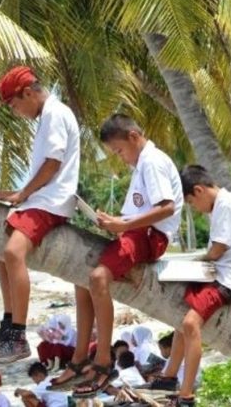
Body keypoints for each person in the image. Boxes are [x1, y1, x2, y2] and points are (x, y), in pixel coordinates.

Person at [65, 114, 182, 396]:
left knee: (97, 277)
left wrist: (124, 225)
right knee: (81, 278)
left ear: (133, 136)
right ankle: (81, 356)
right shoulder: (143, 164)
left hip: (149, 236)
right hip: (138, 232)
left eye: (119, 150)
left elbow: (166, 207)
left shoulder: (151, 162)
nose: (120, 157)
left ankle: (103, 359)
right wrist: (116, 222)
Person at [0, 66, 80, 365]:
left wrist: (22, 194)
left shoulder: (54, 113)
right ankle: (9, 324)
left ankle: (18, 335)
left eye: (14, 104)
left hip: (50, 203)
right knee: (0, 252)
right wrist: (21, 193)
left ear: (27, 93)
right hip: (42, 199)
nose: (16, 111)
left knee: (12, 253)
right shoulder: (50, 114)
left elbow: (52, 163)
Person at [151, 165, 231, 407]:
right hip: (220, 274)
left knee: (190, 323)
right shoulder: (222, 206)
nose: (195, 209)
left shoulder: (228, 205)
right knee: (181, 320)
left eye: (191, 202)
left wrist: (195, 262)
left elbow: (218, 250)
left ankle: (186, 394)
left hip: (229, 280)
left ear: (199, 190)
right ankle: (169, 378)